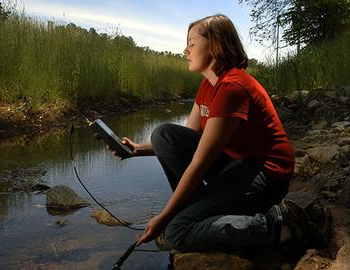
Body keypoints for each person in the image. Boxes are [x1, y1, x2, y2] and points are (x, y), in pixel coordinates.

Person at [109, 14, 311, 252]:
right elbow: (188, 139)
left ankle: (279, 225)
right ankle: (194, 211)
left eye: (192, 43)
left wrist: (164, 217)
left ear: (215, 45)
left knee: (175, 232)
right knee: (164, 135)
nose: (185, 50)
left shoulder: (232, 87)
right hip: (237, 164)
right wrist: (137, 150)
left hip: (266, 175)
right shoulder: (209, 84)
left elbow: (199, 162)